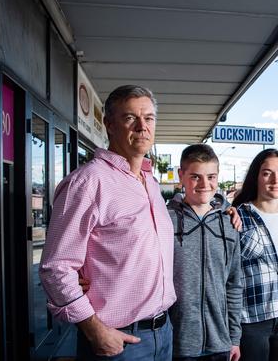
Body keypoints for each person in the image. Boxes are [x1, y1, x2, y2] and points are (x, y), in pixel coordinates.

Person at [39, 85, 176, 360]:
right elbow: (56, 267)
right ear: (109, 125)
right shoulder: (88, 182)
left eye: (148, 118)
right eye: (130, 118)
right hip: (117, 342)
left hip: (163, 333)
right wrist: (93, 329)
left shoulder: (150, 182)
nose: (142, 126)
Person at [167, 144, 243, 361]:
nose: (204, 184)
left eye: (211, 176)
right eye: (195, 177)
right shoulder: (165, 220)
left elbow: (234, 283)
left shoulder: (229, 223)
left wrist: (234, 337)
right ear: (181, 176)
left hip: (219, 341)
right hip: (176, 340)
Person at [231, 149, 278, 361]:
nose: (276, 180)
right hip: (251, 318)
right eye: (267, 173)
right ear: (256, 176)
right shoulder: (238, 215)